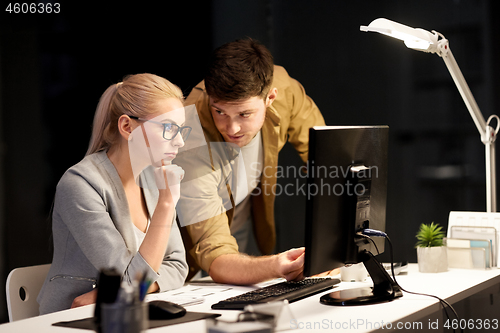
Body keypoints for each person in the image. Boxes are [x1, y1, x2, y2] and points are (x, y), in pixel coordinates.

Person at [176, 38, 327, 284]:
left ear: (270, 97)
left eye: (245, 114)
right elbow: (214, 251)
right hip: (191, 250)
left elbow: (327, 159)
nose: (231, 128)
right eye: (220, 112)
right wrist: (279, 265)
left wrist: (333, 247)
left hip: (242, 216)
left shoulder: (285, 90)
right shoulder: (189, 132)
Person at [38, 73, 189, 314]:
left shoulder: (152, 177)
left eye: (181, 129)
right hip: (74, 319)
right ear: (127, 126)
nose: (180, 141)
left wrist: (118, 289)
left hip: (125, 309)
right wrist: (167, 203)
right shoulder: (79, 183)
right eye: (169, 128)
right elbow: (128, 277)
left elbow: (178, 266)